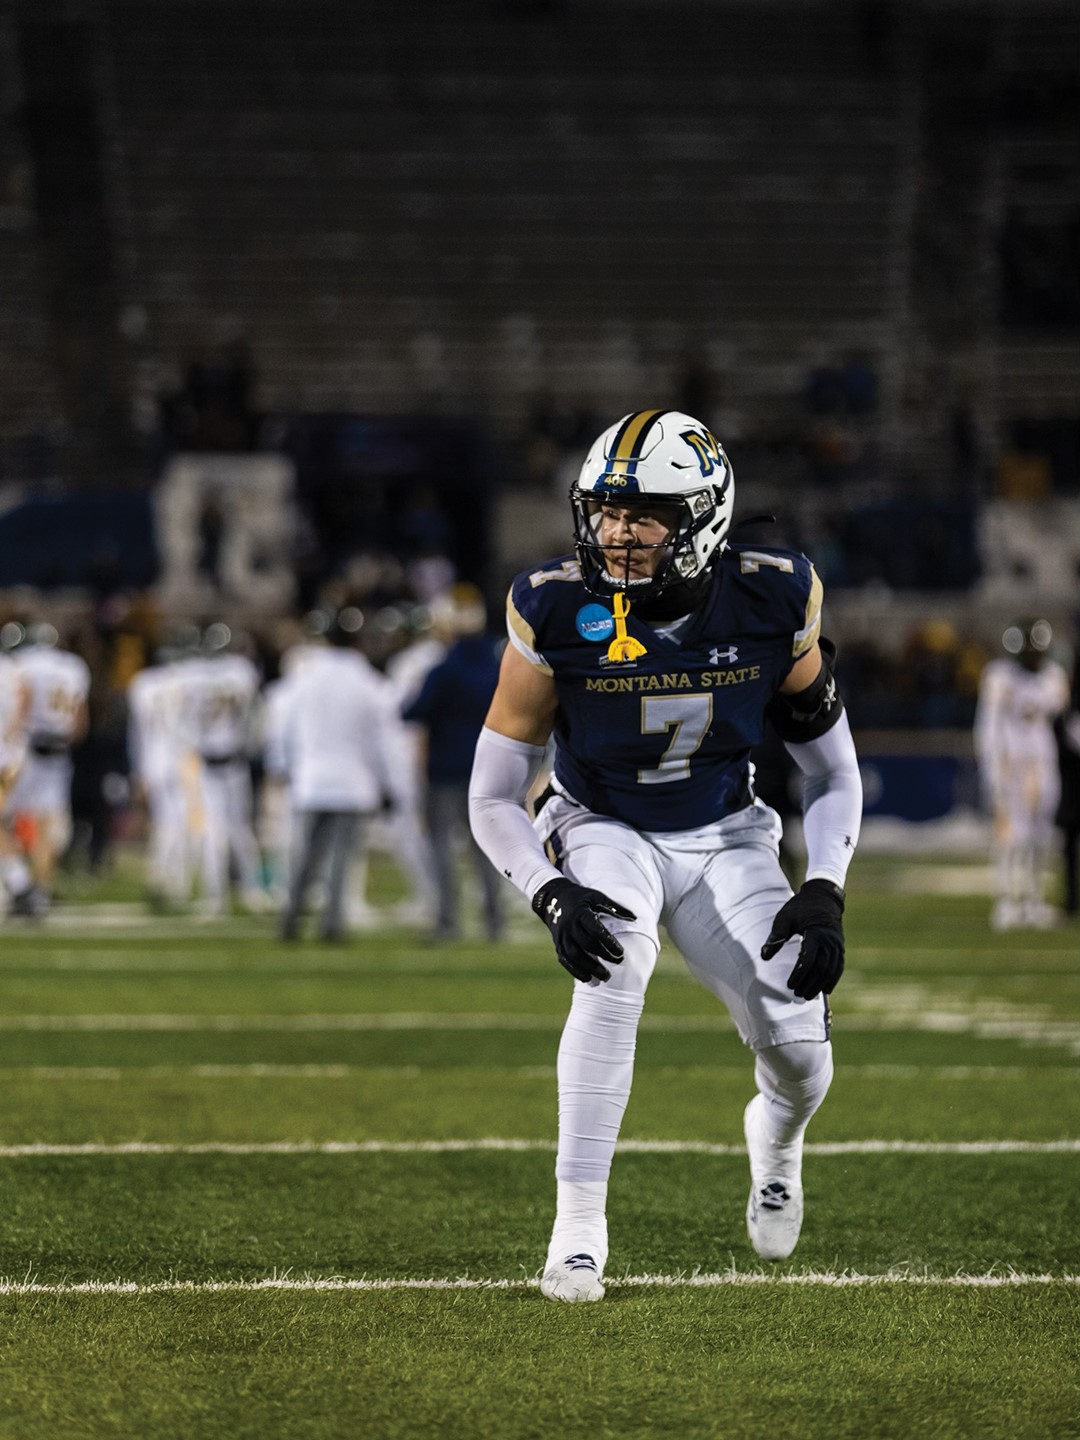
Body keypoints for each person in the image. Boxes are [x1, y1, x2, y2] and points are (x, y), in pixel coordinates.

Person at [469, 408, 862, 1302]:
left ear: (705, 517)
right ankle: (576, 1228)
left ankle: (779, 1137)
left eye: (644, 512)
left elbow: (832, 769)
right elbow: (491, 794)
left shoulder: (772, 594)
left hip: (729, 832)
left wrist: (828, 887)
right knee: (612, 966)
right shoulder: (553, 605)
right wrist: (548, 890)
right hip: (602, 822)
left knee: (801, 1048)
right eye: (604, 509)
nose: (616, 531)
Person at [278, 607, 412, 941]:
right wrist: (389, 784)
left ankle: (290, 920)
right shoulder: (370, 683)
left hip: (310, 780)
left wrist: (283, 767)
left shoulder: (303, 678)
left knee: (303, 857)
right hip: (354, 782)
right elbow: (384, 742)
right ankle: (331, 924)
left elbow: (282, 726)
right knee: (341, 860)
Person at [403, 584, 504, 942]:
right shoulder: (497, 665)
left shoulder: (444, 668)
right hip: (486, 768)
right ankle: (495, 922)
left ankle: (449, 921)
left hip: (445, 769)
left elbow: (412, 711)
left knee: (442, 848)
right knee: (487, 849)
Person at [974, 618, 1070, 930]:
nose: (1032, 655)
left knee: (1041, 836)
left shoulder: (1054, 677)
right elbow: (987, 727)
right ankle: (1006, 901)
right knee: (1009, 837)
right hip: (1010, 764)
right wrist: (991, 768)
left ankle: (1032, 899)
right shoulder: (1000, 676)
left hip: (1042, 764)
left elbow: (1060, 717)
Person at [4, 623, 91, 912]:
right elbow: (80, 722)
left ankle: (18, 882)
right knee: (46, 825)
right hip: (59, 755)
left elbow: (21, 709)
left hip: (26, 751)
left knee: (8, 818)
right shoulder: (74, 667)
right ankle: (38, 892)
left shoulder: (21, 665)